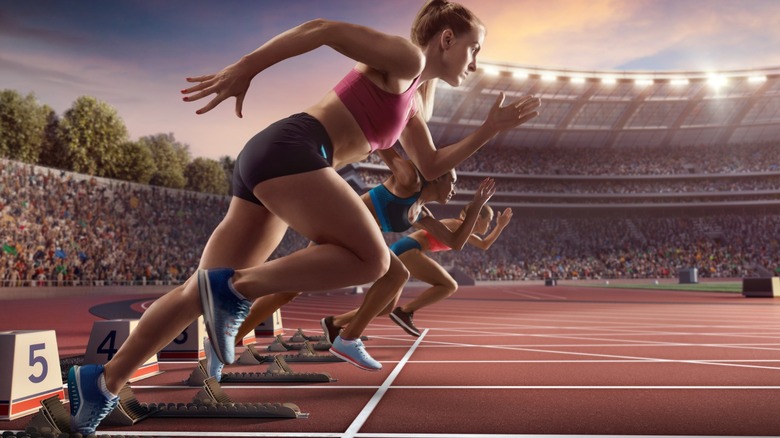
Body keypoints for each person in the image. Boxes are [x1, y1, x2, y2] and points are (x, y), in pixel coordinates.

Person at [67, 1, 541, 434]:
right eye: (473, 49)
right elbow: (322, 29)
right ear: (446, 39)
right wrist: (245, 68)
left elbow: (432, 166)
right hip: (295, 150)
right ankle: (234, 289)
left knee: (196, 290)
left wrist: (489, 129)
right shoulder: (407, 58)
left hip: (277, 161)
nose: (475, 63)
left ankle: (101, 385)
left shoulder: (419, 94)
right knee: (373, 261)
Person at [204, 148, 496, 377]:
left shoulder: (422, 213)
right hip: (338, 223)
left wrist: (478, 206)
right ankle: (347, 338)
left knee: (291, 291)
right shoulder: (409, 180)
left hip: (351, 237)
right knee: (397, 274)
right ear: (439, 175)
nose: (456, 190)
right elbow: (385, 143)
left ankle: (222, 345)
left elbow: (457, 241)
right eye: (454, 182)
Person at [386, 203, 512, 336]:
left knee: (384, 305)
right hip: (408, 249)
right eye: (489, 221)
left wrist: (500, 226)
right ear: (478, 218)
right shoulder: (456, 224)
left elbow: (484, 244)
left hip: (403, 249)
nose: (489, 226)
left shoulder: (463, 230)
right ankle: (405, 311)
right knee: (449, 285)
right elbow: (430, 224)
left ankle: (361, 325)